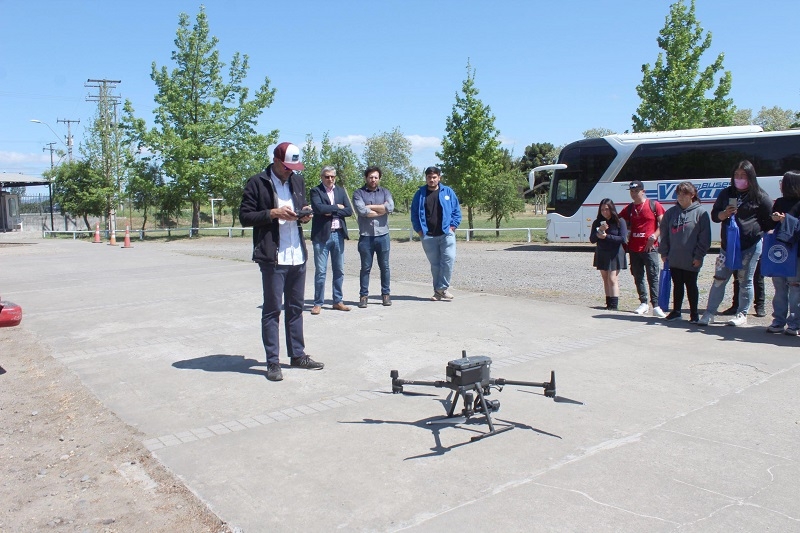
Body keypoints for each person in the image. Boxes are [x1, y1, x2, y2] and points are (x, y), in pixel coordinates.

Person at [239, 142, 324, 382]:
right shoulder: (257, 182)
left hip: (297, 253)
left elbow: (300, 208)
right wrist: (273, 213)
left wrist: (304, 214)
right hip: (273, 256)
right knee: (273, 309)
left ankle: (297, 355)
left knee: (296, 308)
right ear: (276, 161)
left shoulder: (297, 180)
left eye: (294, 167)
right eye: (287, 167)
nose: (291, 171)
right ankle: (272, 361)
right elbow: (245, 216)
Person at [699, 160, 773, 327]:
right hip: (727, 246)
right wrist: (724, 214)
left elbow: (768, 223)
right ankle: (709, 312)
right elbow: (715, 216)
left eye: (743, 176)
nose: (739, 179)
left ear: (751, 177)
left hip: (750, 245)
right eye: (737, 175)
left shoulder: (760, 196)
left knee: (745, 280)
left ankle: (742, 313)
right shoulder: (726, 193)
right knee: (719, 278)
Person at [658, 182, 712, 323]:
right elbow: (664, 235)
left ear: (692, 195)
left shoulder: (701, 213)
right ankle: (676, 311)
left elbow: (704, 238)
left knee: (691, 284)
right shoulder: (671, 213)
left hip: (691, 257)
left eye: (684, 194)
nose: (680, 197)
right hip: (675, 256)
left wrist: (699, 255)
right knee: (677, 283)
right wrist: (664, 253)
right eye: (678, 194)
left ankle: (694, 314)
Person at [411, 166, 462, 301]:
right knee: (435, 265)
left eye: (434, 177)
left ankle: (442, 288)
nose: (432, 180)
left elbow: (456, 210)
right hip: (428, 235)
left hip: (446, 233)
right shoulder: (420, 194)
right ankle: (439, 292)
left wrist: (453, 227)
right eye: (429, 177)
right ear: (426, 178)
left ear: (439, 177)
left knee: (448, 259)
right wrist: (419, 230)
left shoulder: (448, 192)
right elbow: (414, 213)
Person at [619, 179, 667, 318]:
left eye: (636, 191)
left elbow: (663, 224)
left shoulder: (654, 205)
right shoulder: (629, 208)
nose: (634, 194)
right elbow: (619, 220)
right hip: (634, 247)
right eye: (632, 191)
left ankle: (656, 305)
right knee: (638, 275)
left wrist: (655, 236)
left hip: (650, 248)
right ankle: (643, 302)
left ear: (643, 191)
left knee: (653, 275)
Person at [309, 166, 353, 315]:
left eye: (332, 176)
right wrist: (336, 208)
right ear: (322, 177)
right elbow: (319, 208)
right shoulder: (316, 191)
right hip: (322, 236)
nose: (330, 179)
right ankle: (317, 303)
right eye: (327, 176)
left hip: (338, 235)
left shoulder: (340, 191)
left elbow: (349, 211)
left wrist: (330, 210)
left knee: (339, 270)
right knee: (321, 271)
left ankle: (337, 301)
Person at [352, 166, 394, 308]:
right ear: (366, 178)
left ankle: (386, 295)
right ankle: (363, 296)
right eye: (371, 177)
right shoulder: (358, 193)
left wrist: (371, 207)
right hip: (366, 237)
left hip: (383, 235)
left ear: (379, 178)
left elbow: (390, 207)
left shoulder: (385, 192)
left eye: (376, 177)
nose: (373, 179)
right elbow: (362, 211)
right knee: (365, 268)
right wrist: (381, 208)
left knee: (385, 267)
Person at [765, 170, 800, 335]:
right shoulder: (779, 201)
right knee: (779, 287)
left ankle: (794, 323)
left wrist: (787, 219)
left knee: (795, 287)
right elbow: (769, 224)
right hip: (778, 251)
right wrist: (774, 218)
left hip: (795, 251)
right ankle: (778, 320)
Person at [589, 198, 627, 310]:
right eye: (602, 210)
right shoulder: (597, 222)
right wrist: (599, 231)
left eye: (607, 209)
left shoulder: (619, 221)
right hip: (602, 252)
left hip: (615, 253)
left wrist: (607, 236)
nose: (605, 212)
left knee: (612, 278)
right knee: (605, 278)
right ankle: (609, 303)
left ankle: (614, 306)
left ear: (612, 209)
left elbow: (623, 239)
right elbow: (592, 239)